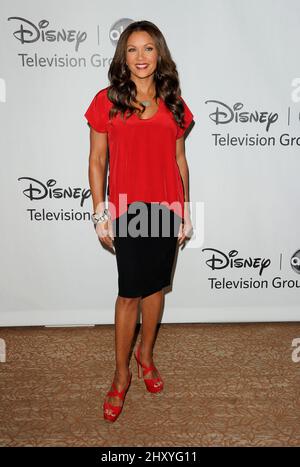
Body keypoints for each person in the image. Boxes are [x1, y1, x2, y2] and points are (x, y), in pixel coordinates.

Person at [84, 20, 195, 422]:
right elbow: (98, 161)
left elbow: (180, 160)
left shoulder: (173, 101)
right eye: (132, 49)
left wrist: (184, 210)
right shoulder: (108, 100)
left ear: (159, 53)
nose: (141, 57)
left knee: (155, 288)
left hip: (165, 209)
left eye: (148, 48)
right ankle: (120, 374)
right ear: (123, 56)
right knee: (130, 291)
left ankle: (146, 354)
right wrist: (100, 212)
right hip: (127, 210)